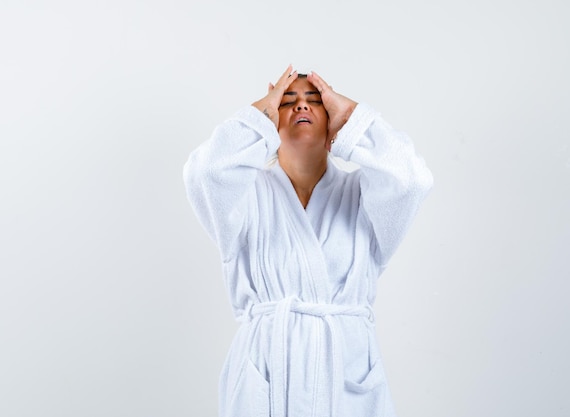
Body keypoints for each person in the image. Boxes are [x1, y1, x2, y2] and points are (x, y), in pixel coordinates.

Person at [183, 65, 433, 417]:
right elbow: (205, 173)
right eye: (288, 100)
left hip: (346, 381)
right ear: (270, 122)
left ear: (333, 122)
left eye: (315, 100)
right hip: (266, 377)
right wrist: (260, 113)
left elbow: (413, 180)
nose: (302, 106)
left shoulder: (365, 196)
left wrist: (351, 115)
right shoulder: (245, 196)